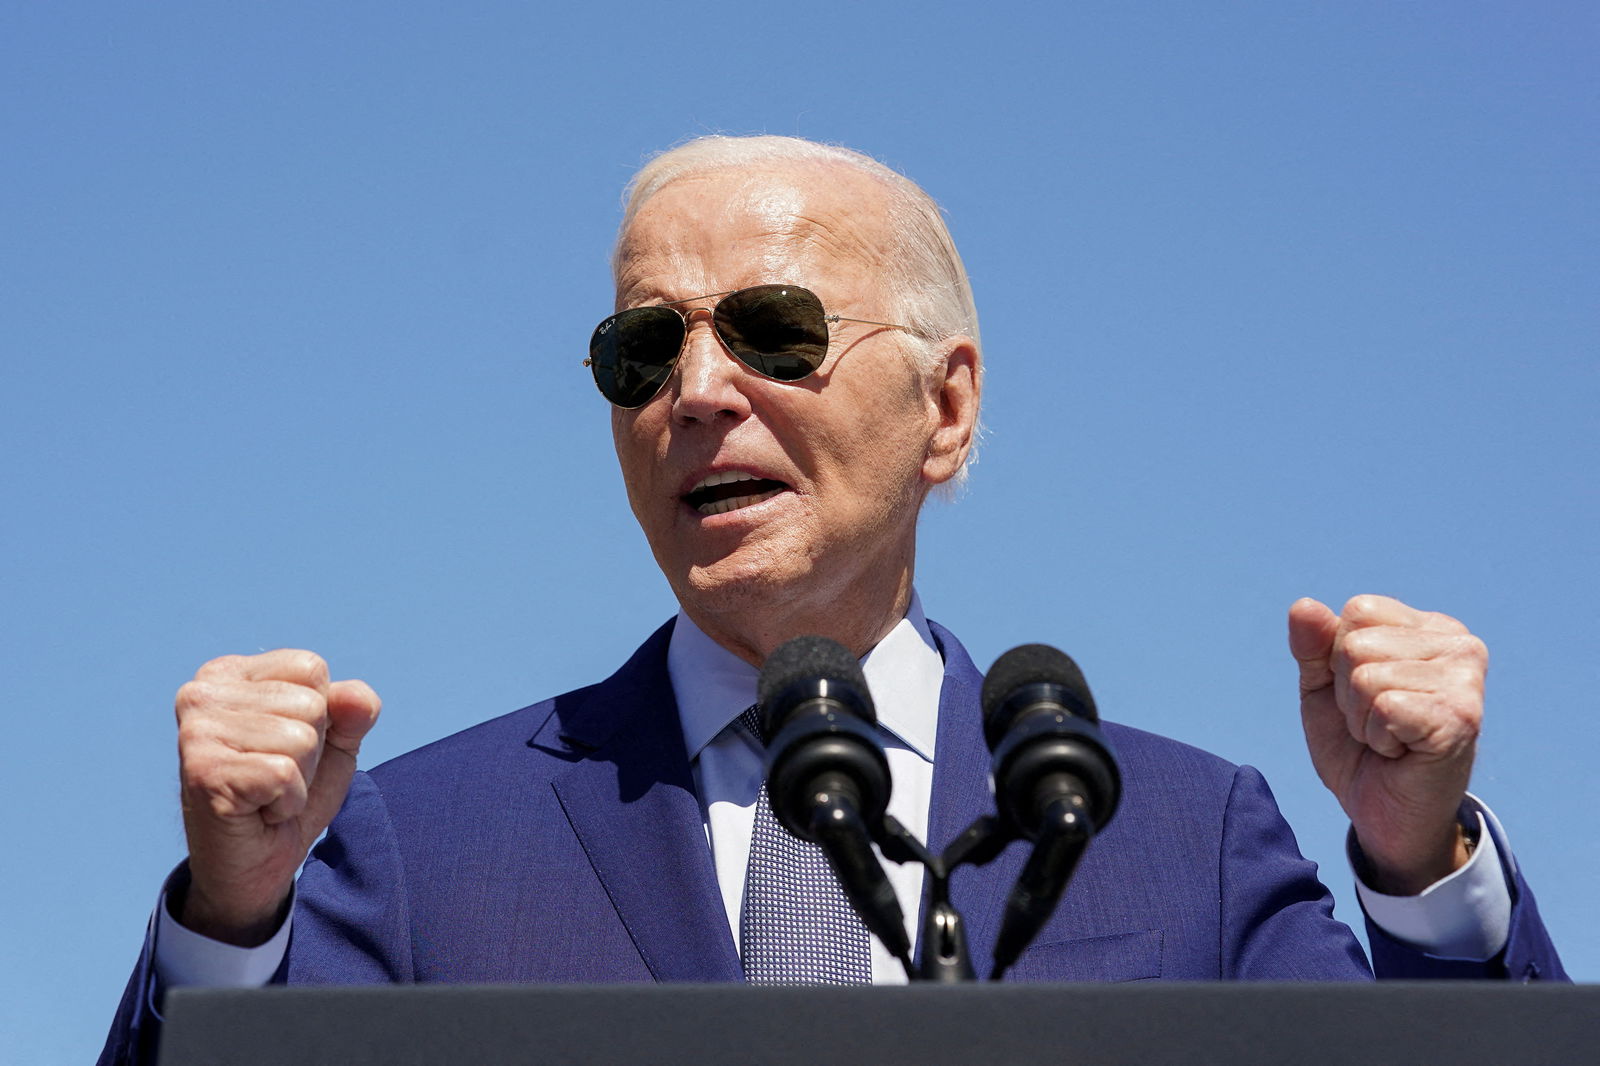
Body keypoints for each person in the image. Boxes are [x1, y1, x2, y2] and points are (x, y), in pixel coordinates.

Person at [99, 136, 1564, 1064]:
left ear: (947, 407)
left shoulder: (1184, 836)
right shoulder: (420, 844)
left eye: (772, 330)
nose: (696, 391)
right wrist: (229, 921)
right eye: (641, 351)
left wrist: (1420, 863)